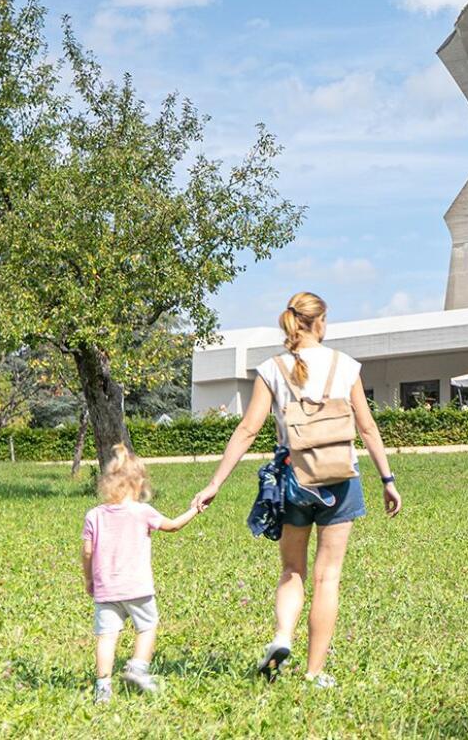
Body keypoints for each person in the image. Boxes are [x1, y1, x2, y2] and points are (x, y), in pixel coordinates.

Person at [191, 292, 401, 689]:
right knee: (328, 577)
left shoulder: (272, 369)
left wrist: (215, 482)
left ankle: (282, 637)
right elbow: (368, 428)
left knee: (292, 570)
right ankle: (315, 672)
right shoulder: (346, 366)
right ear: (319, 322)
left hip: (292, 482)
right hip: (341, 480)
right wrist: (388, 481)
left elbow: (248, 430)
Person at [82, 443, 201, 704]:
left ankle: (103, 687)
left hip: (106, 589)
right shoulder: (143, 512)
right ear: (138, 483)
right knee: (147, 627)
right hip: (138, 587)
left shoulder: (94, 516)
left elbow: (88, 553)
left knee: (106, 637)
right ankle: (137, 667)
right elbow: (172, 526)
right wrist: (195, 509)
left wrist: (89, 578)